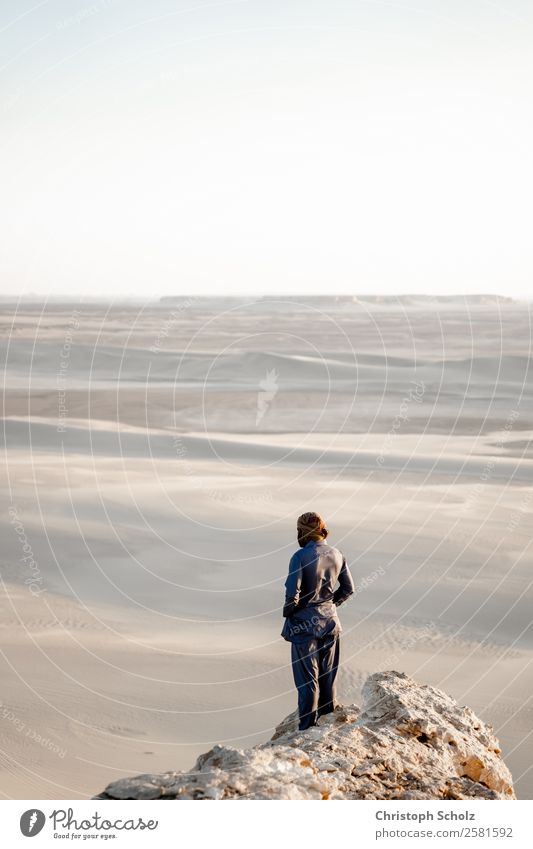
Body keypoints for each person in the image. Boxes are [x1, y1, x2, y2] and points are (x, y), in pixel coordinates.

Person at [281, 511, 354, 730]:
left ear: (301, 531)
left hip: (305, 626)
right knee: (327, 678)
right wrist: (330, 605)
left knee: (307, 682)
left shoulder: (300, 556)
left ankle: (306, 729)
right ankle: (327, 726)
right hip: (330, 623)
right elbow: (349, 589)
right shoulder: (337, 553)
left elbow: (292, 593)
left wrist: (290, 612)